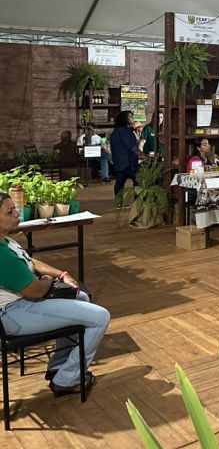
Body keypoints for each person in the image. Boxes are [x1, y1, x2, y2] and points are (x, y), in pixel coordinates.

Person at [0, 192, 110, 396]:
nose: (17, 214)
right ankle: (66, 380)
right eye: (10, 212)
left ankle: (58, 366)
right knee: (100, 317)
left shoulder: (5, 241)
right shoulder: (1, 255)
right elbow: (35, 291)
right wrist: (48, 280)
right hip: (12, 314)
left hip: (21, 305)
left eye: (14, 209)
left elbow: (30, 261)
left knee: (80, 297)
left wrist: (61, 274)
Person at [110, 111, 143, 197]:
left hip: (120, 163)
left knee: (119, 183)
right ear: (124, 118)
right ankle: (138, 200)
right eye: (130, 116)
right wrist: (144, 156)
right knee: (138, 181)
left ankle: (118, 202)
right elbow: (132, 147)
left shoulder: (117, 131)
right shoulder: (125, 131)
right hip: (127, 163)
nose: (132, 118)